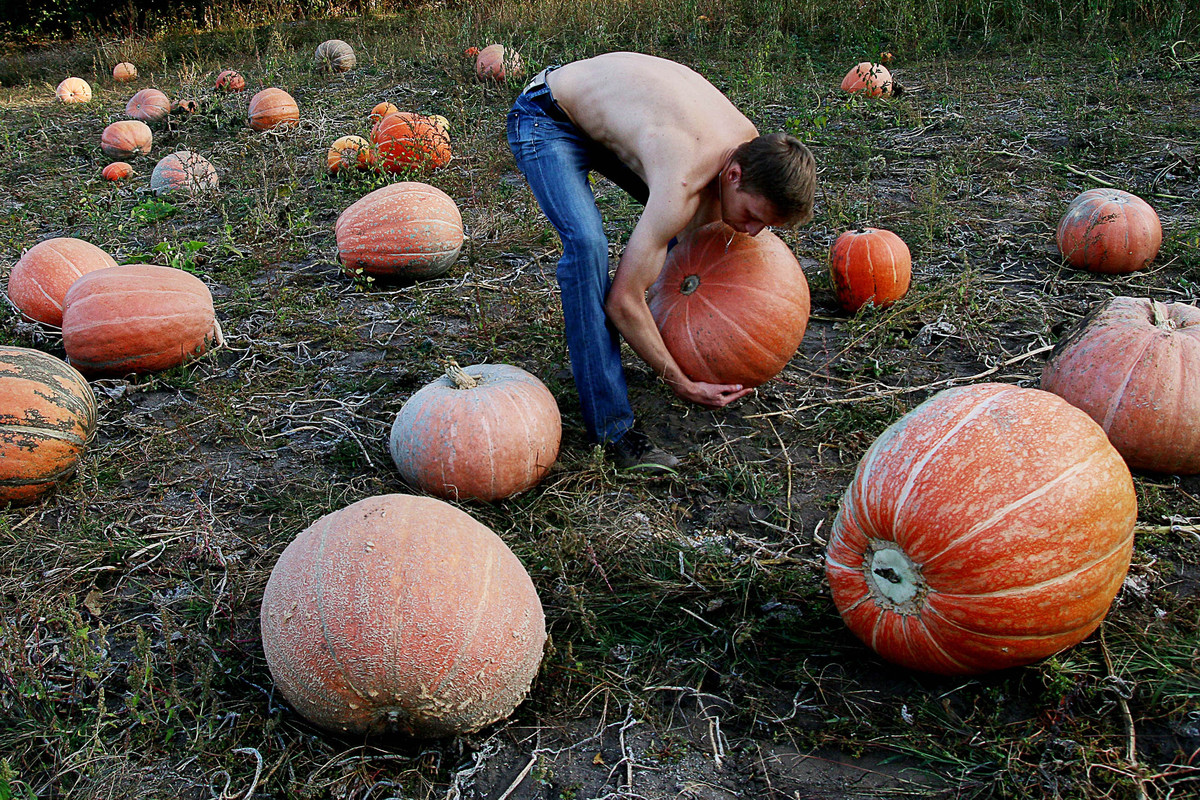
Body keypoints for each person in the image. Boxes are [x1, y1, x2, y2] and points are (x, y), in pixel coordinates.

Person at [506, 52, 816, 474]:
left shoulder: (748, 148)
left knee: (698, 232)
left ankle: (669, 345)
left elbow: (702, 243)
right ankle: (613, 430)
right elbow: (623, 301)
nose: (752, 232)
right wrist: (680, 380)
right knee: (588, 248)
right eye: (753, 217)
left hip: (615, 120)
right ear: (734, 175)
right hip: (546, 114)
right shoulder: (684, 179)